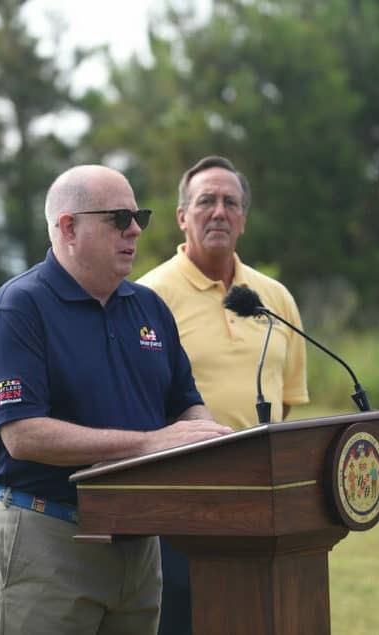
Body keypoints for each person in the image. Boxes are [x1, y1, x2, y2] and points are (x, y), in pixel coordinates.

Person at [0, 164, 232, 635]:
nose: (134, 230)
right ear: (68, 227)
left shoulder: (148, 307)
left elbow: (185, 401)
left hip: (138, 540)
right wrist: (150, 443)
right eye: (118, 218)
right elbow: (23, 435)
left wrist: (205, 436)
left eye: (139, 217)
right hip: (47, 534)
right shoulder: (18, 309)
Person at [138, 155, 309, 634]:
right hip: (178, 502)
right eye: (206, 201)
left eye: (230, 202)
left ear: (243, 219)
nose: (219, 212)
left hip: (260, 496)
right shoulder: (147, 297)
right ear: (181, 216)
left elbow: (287, 399)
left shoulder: (274, 297)